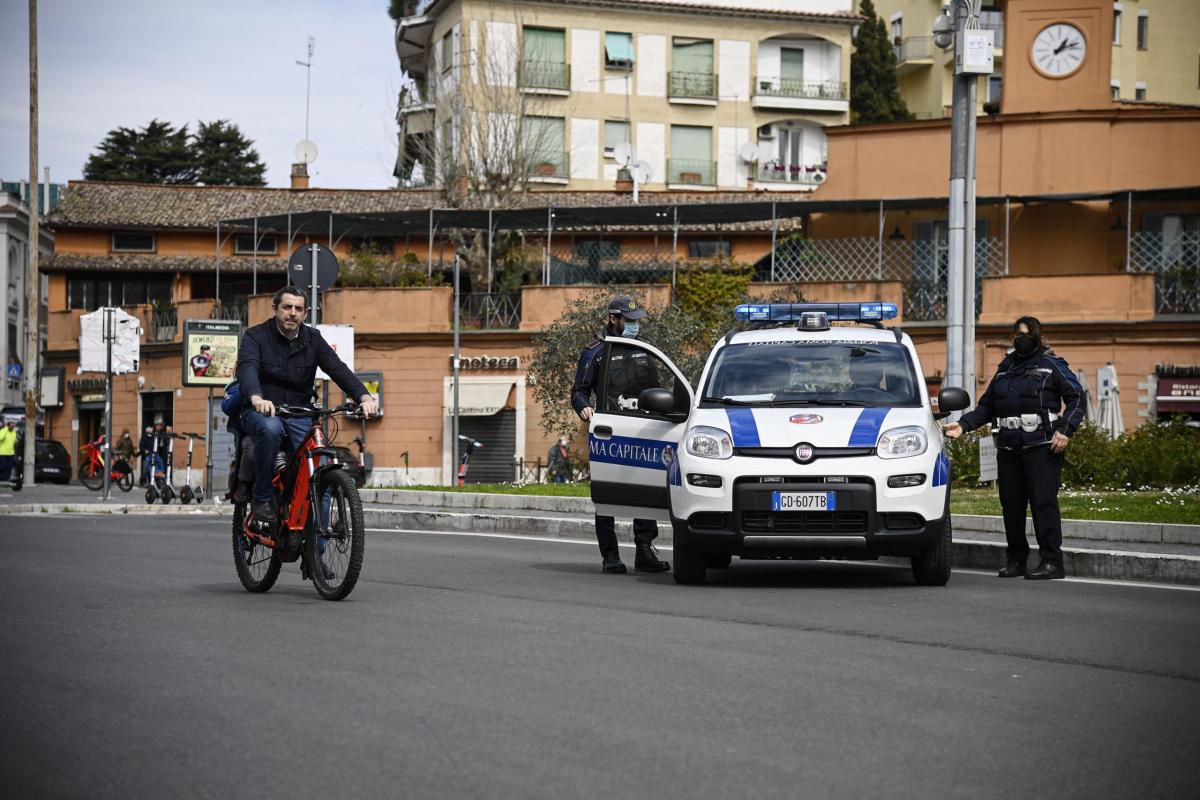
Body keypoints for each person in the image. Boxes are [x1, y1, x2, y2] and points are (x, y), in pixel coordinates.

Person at [943, 316, 1084, 580]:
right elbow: (987, 407)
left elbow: (1076, 398)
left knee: (1043, 504)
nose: (1020, 339)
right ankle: (1017, 560)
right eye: (1016, 335)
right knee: (1011, 506)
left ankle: (1052, 562)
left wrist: (1065, 430)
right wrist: (963, 425)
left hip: (1042, 447)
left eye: (1026, 335)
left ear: (1039, 338)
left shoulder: (1052, 364)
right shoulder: (1006, 367)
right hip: (1009, 449)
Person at [234, 286, 378, 528]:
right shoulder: (256, 336)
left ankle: (317, 558)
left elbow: (337, 368)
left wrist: (363, 396)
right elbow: (247, 368)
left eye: (298, 309)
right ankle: (262, 496)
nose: (292, 313)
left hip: (301, 412)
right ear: (275, 309)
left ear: (305, 313)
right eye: (287, 307)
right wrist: (257, 398)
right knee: (270, 430)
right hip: (263, 410)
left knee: (319, 470)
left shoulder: (312, 339)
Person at [571, 295, 670, 575]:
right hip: (610, 433)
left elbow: (655, 390)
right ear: (613, 319)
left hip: (643, 430)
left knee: (645, 492)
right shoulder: (596, 351)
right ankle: (610, 556)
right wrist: (584, 408)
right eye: (629, 321)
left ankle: (644, 551)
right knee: (607, 495)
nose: (634, 325)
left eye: (636, 320)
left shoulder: (643, 350)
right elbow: (579, 391)